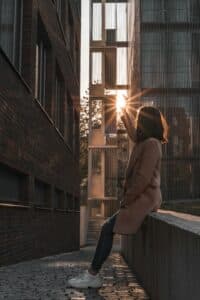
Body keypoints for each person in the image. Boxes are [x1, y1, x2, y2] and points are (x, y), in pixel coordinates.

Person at [68, 105, 168, 289]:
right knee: (107, 228)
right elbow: (133, 135)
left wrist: (127, 199)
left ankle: (93, 275)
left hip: (144, 199)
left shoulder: (152, 144)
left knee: (107, 227)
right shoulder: (144, 142)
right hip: (141, 198)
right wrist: (124, 115)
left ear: (145, 123)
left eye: (139, 119)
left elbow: (143, 178)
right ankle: (92, 273)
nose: (137, 123)